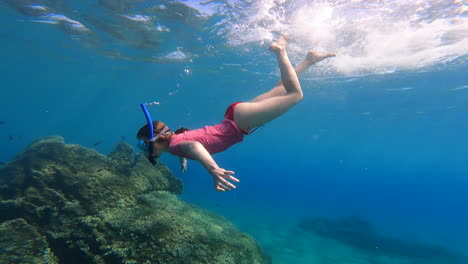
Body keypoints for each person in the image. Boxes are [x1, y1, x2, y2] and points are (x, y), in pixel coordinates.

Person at [137, 35, 335, 192]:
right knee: (281, 89)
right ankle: (309, 60)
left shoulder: (176, 145)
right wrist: (183, 159)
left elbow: (193, 146)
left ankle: (280, 51)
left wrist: (213, 170)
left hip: (239, 121)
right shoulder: (173, 143)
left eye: (142, 144)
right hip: (235, 115)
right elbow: (183, 144)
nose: (142, 149)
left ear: (155, 139)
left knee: (295, 95)